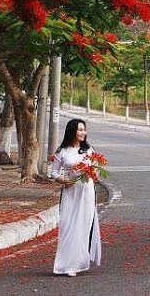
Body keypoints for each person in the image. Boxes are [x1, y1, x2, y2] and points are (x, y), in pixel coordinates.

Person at [50, 118, 102, 277]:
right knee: (69, 227)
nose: (83, 132)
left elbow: (96, 171)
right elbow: (53, 172)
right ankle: (65, 264)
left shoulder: (89, 150)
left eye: (84, 129)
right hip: (70, 193)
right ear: (72, 131)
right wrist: (63, 180)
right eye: (80, 129)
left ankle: (77, 263)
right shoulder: (62, 151)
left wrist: (94, 174)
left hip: (86, 192)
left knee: (83, 227)